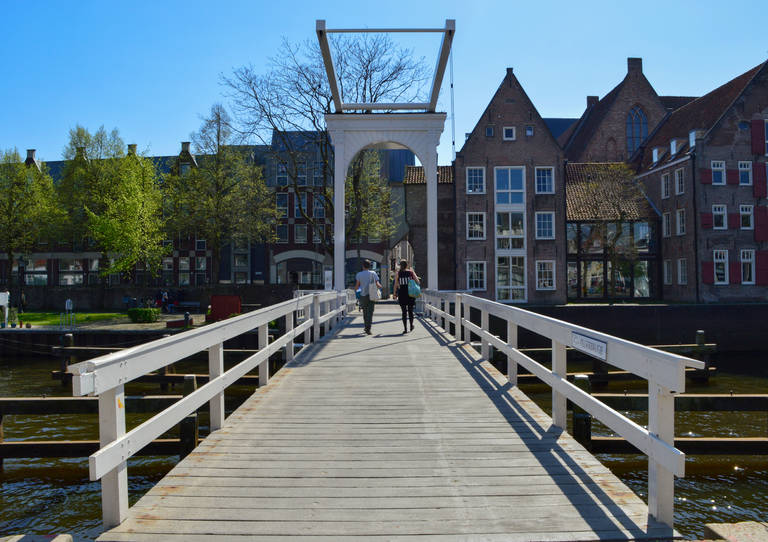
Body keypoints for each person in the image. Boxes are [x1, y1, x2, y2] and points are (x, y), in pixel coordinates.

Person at [354, 259, 382, 335]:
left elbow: (357, 285)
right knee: (370, 312)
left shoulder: (359, 274)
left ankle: (366, 327)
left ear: (363, 266)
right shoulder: (373, 273)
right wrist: (380, 287)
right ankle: (368, 328)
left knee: (365, 312)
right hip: (372, 294)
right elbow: (377, 284)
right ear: (370, 266)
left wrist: (354, 290)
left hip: (363, 295)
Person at [394, 259, 420, 333]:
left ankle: (405, 329)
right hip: (410, 293)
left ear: (400, 266)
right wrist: (413, 273)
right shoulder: (411, 272)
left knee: (404, 312)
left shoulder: (398, 273)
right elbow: (418, 282)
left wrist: (395, 294)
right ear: (407, 265)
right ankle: (411, 325)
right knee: (410, 310)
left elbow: (396, 284)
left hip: (402, 293)